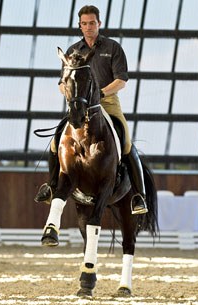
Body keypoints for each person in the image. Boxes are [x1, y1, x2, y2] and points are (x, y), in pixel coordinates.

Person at [35, 5, 148, 216]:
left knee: (126, 142)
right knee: (54, 142)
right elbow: (62, 83)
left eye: (92, 23)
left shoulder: (113, 48)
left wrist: (100, 94)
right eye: (84, 24)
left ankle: (138, 196)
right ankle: (51, 186)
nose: (88, 27)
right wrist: (70, 94)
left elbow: (121, 80)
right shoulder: (72, 52)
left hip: (108, 101)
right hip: (80, 104)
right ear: (80, 26)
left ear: (99, 24)